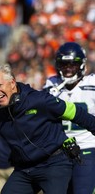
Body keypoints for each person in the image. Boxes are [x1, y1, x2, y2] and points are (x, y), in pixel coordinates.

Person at [0, 63, 95, 194]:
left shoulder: (39, 100)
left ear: (12, 83)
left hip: (55, 164)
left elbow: (77, 114)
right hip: (25, 169)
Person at [43, 42, 95, 194]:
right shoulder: (50, 86)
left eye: (73, 64)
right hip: (59, 151)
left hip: (87, 148)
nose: (68, 69)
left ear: (82, 65)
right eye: (64, 64)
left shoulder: (91, 84)